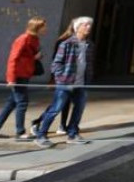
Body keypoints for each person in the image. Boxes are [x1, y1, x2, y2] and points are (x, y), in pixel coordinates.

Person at [34, 17, 94, 147]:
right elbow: (56, 64)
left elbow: (88, 64)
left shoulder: (89, 45)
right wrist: (61, 78)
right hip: (65, 83)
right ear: (77, 27)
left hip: (81, 84)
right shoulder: (66, 43)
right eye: (86, 25)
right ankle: (41, 135)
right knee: (56, 109)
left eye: (89, 25)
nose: (88, 27)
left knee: (79, 109)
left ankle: (73, 134)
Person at [0, 17, 46, 140]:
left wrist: (35, 57)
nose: (45, 29)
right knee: (22, 102)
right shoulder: (23, 39)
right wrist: (10, 78)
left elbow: (27, 56)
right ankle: (20, 132)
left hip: (25, 73)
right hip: (18, 75)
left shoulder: (34, 39)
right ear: (37, 27)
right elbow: (12, 58)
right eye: (43, 26)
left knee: (12, 103)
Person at [29, 22, 74, 137]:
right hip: (63, 78)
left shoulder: (79, 41)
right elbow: (56, 61)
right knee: (58, 104)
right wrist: (55, 78)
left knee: (65, 103)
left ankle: (62, 125)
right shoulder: (63, 41)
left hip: (72, 79)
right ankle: (37, 123)